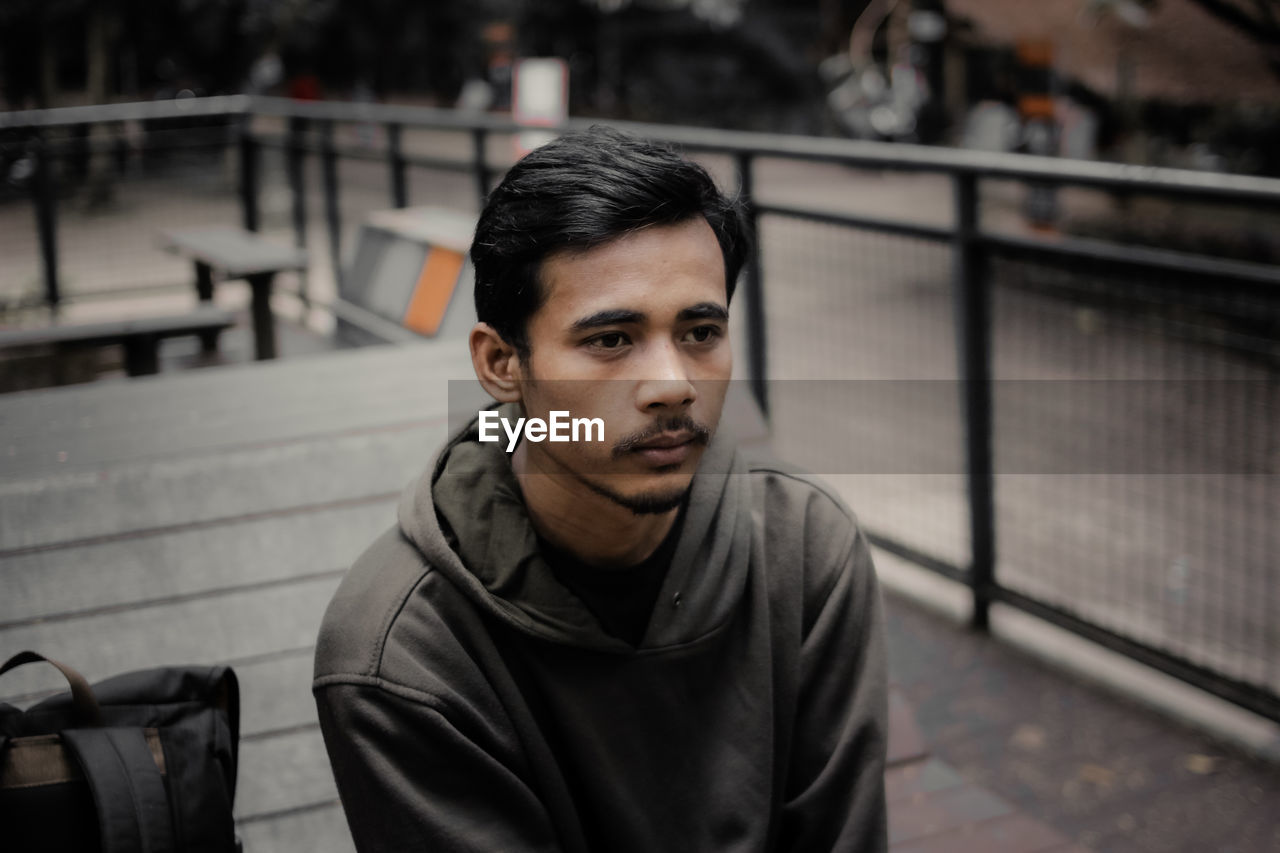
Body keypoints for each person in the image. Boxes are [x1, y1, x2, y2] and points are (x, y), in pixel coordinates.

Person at [313, 126, 888, 852]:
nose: (672, 385)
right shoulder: (402, 649)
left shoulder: (806, 549)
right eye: (611, 340)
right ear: (500, 363)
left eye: (700, 331)